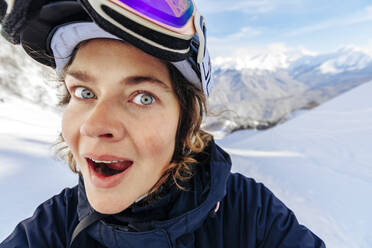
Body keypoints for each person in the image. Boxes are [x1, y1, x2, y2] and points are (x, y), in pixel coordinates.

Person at [0, 1, 326, 247]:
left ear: (186, 122)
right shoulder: (52, 229)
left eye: (142, 97)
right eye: (84, 92)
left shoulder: (251, 215)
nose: (95, 125)